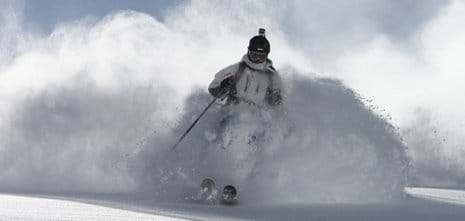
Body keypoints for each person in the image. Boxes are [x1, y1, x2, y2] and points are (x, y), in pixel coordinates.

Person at [208, 29, 283, 108]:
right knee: (233, 118)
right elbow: (212, 87)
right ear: (248, 52)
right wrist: (223, 86)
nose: (257, 60)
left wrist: (275, 98)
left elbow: (280, 103)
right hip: (232, 110)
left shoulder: (271, 76)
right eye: (254, 55)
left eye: (261, 57)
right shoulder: (238, 69)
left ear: (267, 55)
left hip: (258, 115)